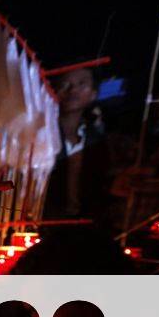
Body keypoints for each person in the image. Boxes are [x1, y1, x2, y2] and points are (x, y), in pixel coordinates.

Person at [41, 68, 113, 225]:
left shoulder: (96, 140)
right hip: (43, 221)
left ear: (93, 94)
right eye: (65, 84)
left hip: (85, 223)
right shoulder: (41, 134)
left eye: (82, 84)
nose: (73, 90)